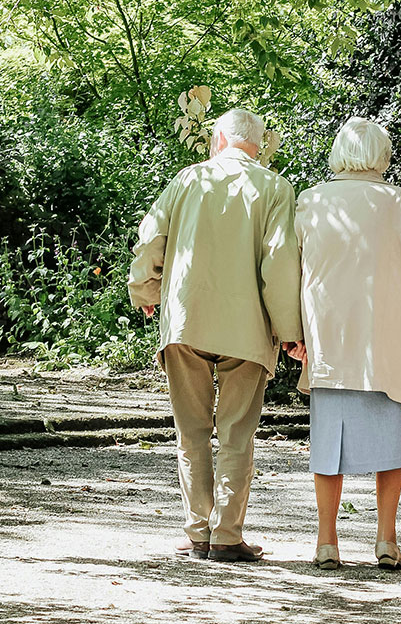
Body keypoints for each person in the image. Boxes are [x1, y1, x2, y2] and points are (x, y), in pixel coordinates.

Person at [128, 108, 305, 562]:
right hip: (247, 329)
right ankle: (226, 535)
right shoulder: (275, 187)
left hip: (187, 321)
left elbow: (151, 240)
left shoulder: (187, 180)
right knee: (236, 433)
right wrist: (290, 332)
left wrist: (145, 289)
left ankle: (197, 532)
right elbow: (280, 263)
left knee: (191, 432)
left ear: (219, 140)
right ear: (259, 145)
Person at [289, 117, 401, 570]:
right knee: (389, 444)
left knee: (327, 444)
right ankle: (385, 539)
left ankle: (326, 541)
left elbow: (291, 276)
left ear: (339, 153)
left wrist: (293, 334)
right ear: (383, 155)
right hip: (387, 343)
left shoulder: (311, 201)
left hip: (330, 342)